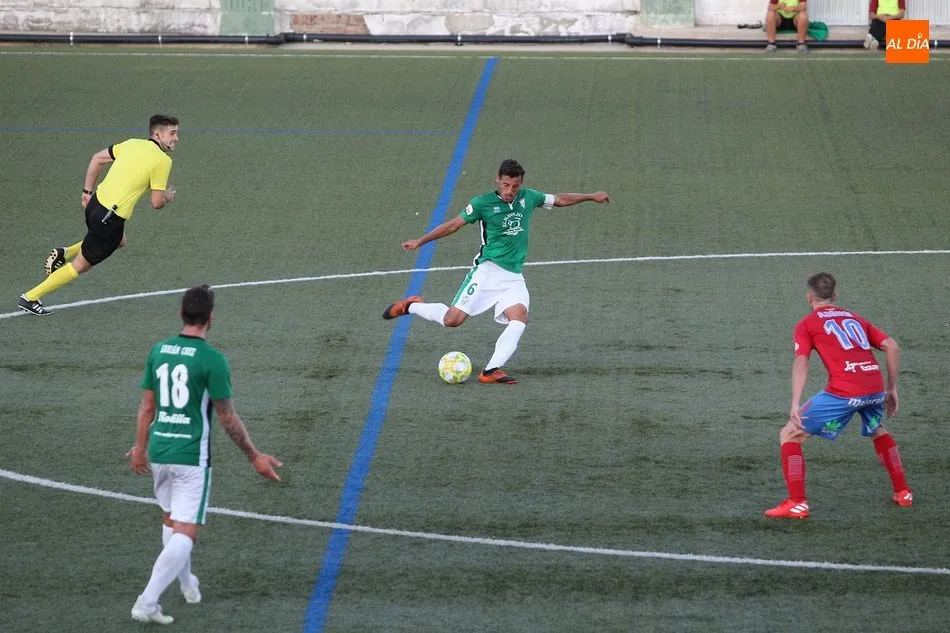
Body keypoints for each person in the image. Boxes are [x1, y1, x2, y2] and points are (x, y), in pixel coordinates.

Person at [127, 284, 282, 624]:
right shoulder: (212, 360)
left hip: (159, 451)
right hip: (191, 456)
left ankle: (187, 584)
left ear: (182, 314)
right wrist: (254, 455)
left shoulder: (159, 350)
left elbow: (147, 407)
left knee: (171, 521)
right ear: (211, 318)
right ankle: (147, 601)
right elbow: (226, 417)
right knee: (187, 532)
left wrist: (140, 448)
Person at [382, 159, 610, 385]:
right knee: (452, 320)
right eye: (506, 185)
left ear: (521, 184)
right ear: (498, 180)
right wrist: (420, 241)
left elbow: (559, 199)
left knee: (519, 318)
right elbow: (453, 225)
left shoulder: (529, 197)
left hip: (513, 277)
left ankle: (491, 370)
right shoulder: (482, 203)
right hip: (488, 272)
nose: (510, 190)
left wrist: (591, 195)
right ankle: (411, 305)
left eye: (515, 186)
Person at [765, 273, 911, 519]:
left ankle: (797, 503)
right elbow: (892, 346)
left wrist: (794, 402)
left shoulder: (807, 324)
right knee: (878, 430)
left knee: (790, 433)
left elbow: (802, 362)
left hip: (845, 391)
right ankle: (903, 492)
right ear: (835, 296)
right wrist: (891, 388)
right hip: (874, 388)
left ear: (809, 297)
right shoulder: (855, 318)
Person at [17, 114, 180, 316]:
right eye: (172, 133)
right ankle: (31, 297)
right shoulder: (162, 161)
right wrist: (167, 198)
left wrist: (87, 192)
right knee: (80, 266)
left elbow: (97, 159)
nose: (176, 138)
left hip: (95, 205)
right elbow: (156, 203)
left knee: (120, 241)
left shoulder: (131, 144)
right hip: (110, 218)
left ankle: (64, 252)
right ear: (157, 134)